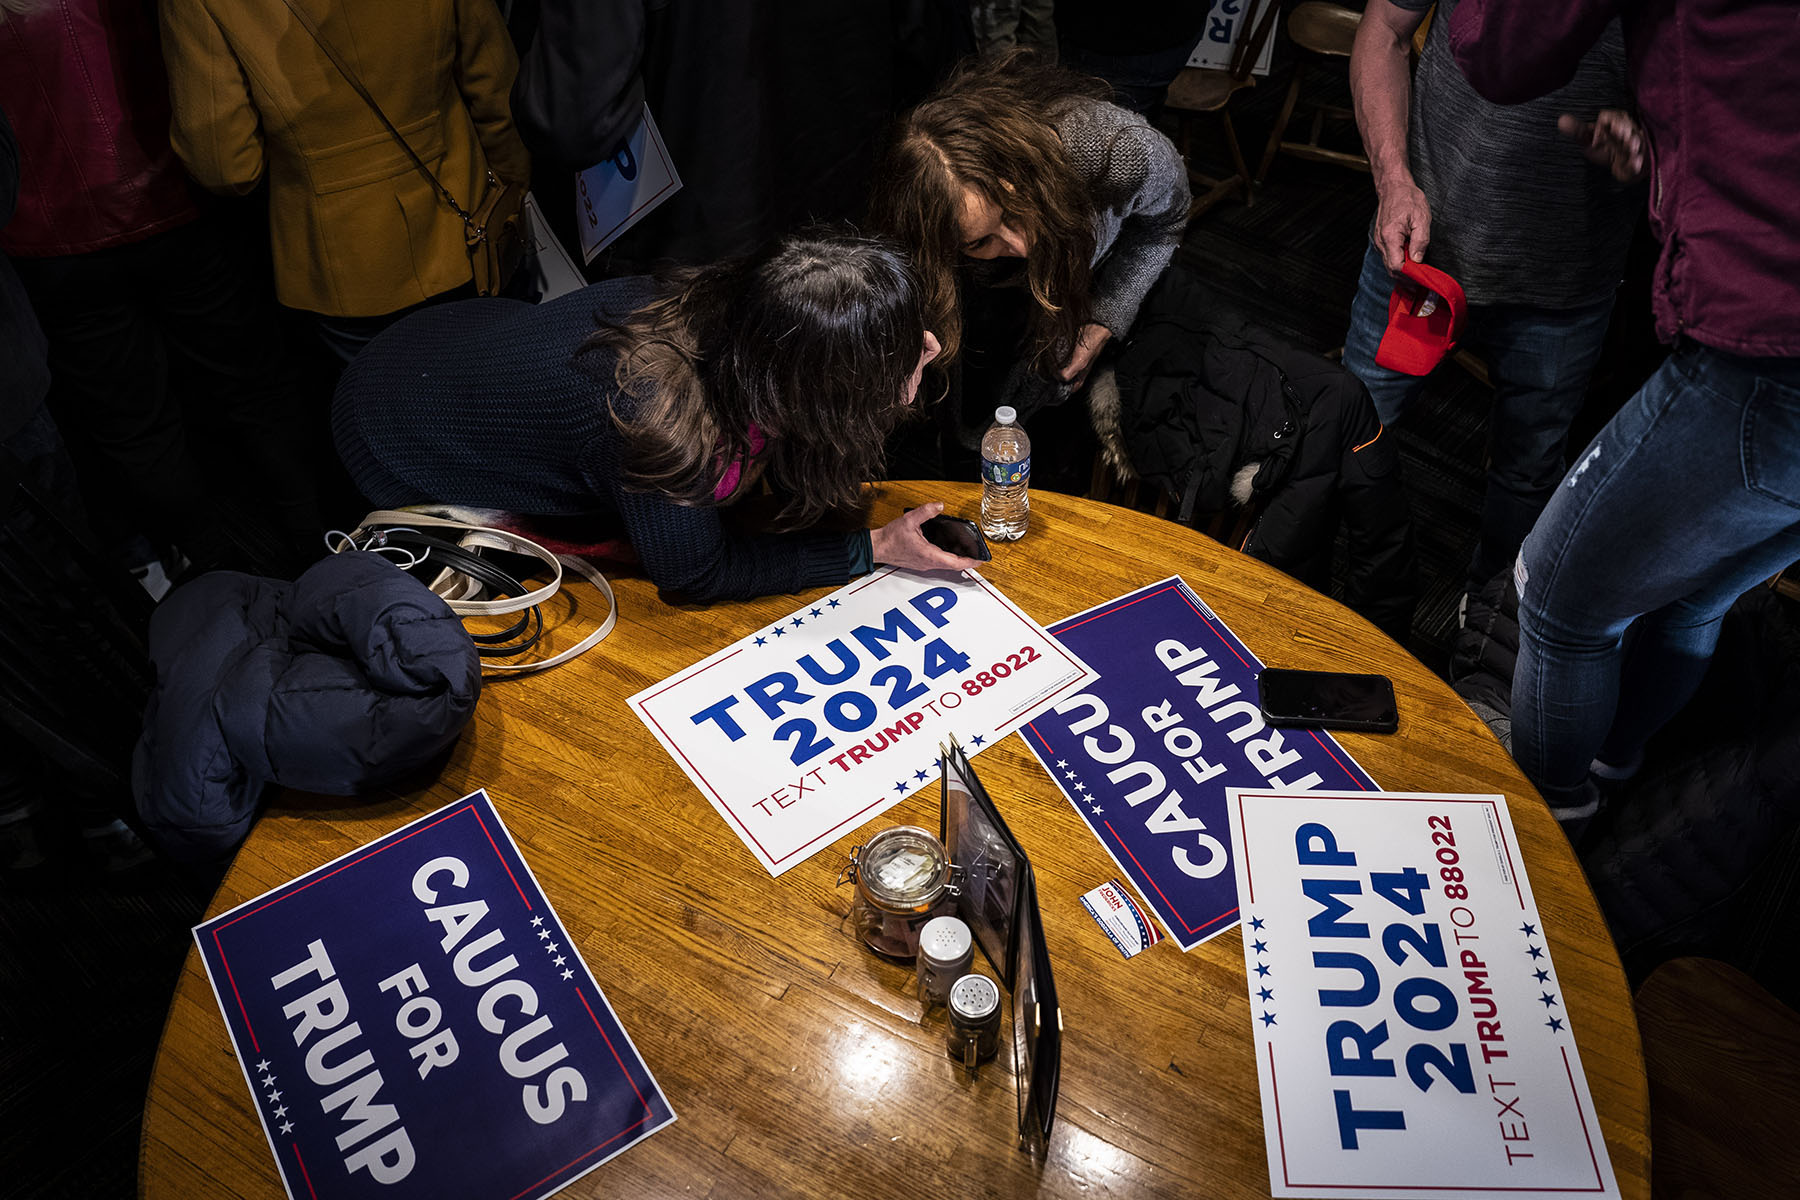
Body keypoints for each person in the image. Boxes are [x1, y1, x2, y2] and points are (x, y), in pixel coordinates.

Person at [1446, 0, 1800, 827]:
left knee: (1557, 603)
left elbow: (1499, 51)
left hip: (1768, 357)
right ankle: (1613, 764)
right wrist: (1681, 145)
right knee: (1694, 597)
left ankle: (1548, 820)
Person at [332, 230, 983, 603]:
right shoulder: (672, 430)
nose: (905, 394)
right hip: (398, 440)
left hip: (446, 347)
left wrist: (896, 339)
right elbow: (696, 575)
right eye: (895, 374)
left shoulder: (752, 306)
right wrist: (873, 548)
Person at [0, 0, 322, 573]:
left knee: (135, 424)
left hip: (52, 241)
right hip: (174, 199)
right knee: (254, 386)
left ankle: (216, 570)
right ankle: (318, 539)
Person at [1343, 0, 1639, 607]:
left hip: (1566, 284)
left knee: (1528, 473)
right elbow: (1385, 31)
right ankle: (1307, 594)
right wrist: (1393, 180)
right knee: (1349, 428)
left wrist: (1657, 156)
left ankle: (1487, 633)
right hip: (1418, 255)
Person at [869, 50, 1191, 477]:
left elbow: (1164, 224)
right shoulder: (928, 226)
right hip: (990, 330)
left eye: (1015, 211)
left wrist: (1105, 319)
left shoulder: (1119, 152)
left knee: (1059, 461)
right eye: (981, 240)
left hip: (1076, 308)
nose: (1021, 245)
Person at [159, 0, 531, 363]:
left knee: (388, 414)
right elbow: (497, 86)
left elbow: (228, 167)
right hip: (468, 228)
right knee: (505, 395)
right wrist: (512, 190)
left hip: (345, 267)